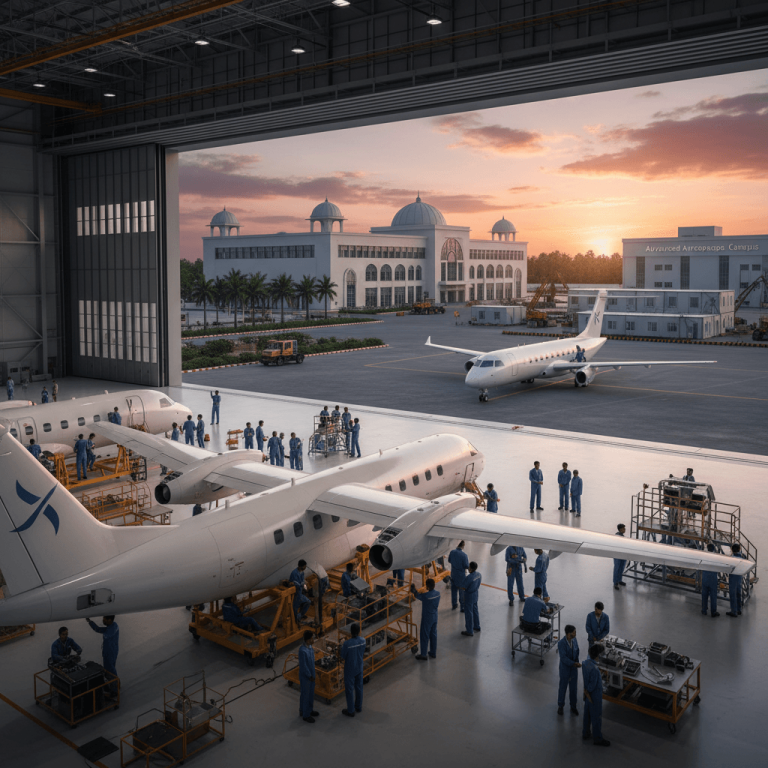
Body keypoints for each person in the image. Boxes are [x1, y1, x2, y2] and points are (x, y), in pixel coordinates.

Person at [582, 644, 610, 746]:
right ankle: (597, 738)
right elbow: (592, 685)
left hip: (587, 694)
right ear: (598, 655)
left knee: (587, 715)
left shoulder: (585, 663)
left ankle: (585, 733)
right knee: (596, 717)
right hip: (594, 696)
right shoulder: (595, 670)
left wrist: (586, 692)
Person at [86, 616, 119, 696]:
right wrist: (90, 622)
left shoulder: (112, 629)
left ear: (109, 620)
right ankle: (114, 686)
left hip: (109, 653)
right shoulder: (112, 626)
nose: (103, 620)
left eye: (104, 619)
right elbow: (98, 629)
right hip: (112, 652)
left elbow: (106, 634)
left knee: (110, 671)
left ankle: (114, 691)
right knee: (111, 670)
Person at [341, 623, 366, 716]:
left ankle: (351, 711)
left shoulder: (347, 644)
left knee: (349, 690)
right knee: (359, 688)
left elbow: (343, 656)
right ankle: (358, 707)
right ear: (359, 631)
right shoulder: (363, 640)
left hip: (350, 669)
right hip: (359, 667)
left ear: (350, 632)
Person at [411, 578, 440, 660]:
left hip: (427, 618)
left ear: (427, 586)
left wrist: (413, 590)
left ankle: (423, 654)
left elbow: (418, 596)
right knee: (433, 634)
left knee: (425, 635)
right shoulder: (438, 594)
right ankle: (433, 652)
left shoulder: (426, 596)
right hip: (435, 616)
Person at [557, 625, 581, 715]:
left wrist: (576, 662)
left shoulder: (574, 640)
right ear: (568, 634)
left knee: (573, 689)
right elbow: (563, 658)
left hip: (573, 669)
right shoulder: (561, 643)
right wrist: (573, 663)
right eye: (574, 632)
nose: (575, 634)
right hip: (565, 669)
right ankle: (560, 706)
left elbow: (577, 650)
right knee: (563, 687)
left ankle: (573, 707)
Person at [298, 630, 319, 723]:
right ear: (308, 639)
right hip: (306, 676)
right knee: (306, 695)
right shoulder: (302, 651)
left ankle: (308, 710)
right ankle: (305, 715)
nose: (313, 639)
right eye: (312, 638)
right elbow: (303, 666)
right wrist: (309, 675)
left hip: (311, 674)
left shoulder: (310, 647)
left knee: (310, 694)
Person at [460, 562, 481, 636]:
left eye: (469, 567)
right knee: (475, 611)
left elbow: (464, 587)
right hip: (475, 594)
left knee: (468, 613)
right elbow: (478, 584)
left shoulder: (469, 577)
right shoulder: (479, 575)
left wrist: (459, 586)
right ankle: (477, 626)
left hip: (469, 596)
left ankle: (469, 630)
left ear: (471, 568)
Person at [448, 541, 469, 611]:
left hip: (453, 574)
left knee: (453, 590)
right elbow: (466, 566)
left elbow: (449, 560)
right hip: (461, 576)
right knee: (461, 592)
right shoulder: (464, 555)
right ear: (463, 545)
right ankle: (462, 607)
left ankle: (454, 605)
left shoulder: (452, 552)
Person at [727, 543, 747, 617]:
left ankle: (733, 611)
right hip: (739, 577)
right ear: (739, 549)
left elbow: (729, 567)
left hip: (733, 577)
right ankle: (739, 609)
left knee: (733, 595)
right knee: (738, 593)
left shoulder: (732, 558)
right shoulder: (742, 557)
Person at [701, 545, 720, 617]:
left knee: (704, 595)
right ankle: (713, 612)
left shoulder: (704, 557)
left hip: (705, 578)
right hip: (713, 579)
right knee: (713, 596)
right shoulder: (716, 558)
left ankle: (704, 610)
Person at [613, 524, 627, 589]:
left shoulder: (622, 536)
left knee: (621, 567)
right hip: (617, 554)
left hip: (622, 554)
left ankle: (619, 580)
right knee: (617, 568)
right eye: (623, 528)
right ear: (620, 529)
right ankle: (615, 582)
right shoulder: (617, 536)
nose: (625, 530)